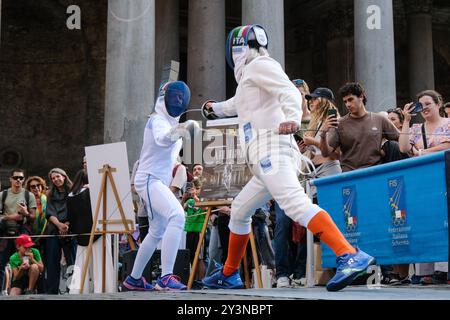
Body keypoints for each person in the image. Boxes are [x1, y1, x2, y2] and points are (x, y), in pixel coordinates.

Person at [201, 25, 375, 292]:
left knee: (294, 204)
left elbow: (290, 92)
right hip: (262, 160)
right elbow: (236, 104)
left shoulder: (261, 65)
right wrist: (213, 109)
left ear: (238, 48)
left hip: (273, 151)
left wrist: (292, 119)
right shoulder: (251, 76)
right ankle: (229, 273)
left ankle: (348, 254)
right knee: (239, 211)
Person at [121, 80, 199, 291]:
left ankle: (134, 279)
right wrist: (183, 129)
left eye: (181, 98)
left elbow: (170, 154)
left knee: (156, 231)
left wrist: (183, 129)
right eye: (175, 97)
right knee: (178, 216)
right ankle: (165, 277)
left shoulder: (171, 124)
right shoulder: (157, 121)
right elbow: (163, 140)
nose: (178, 101)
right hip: (148, 179)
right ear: (165, 99)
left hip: (157, 181)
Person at [399, 89, 449, 285]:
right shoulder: (415, 128)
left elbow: (447, 146)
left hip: (445, 177)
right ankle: (425, 271)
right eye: (421, 105)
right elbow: (404, 148)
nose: (424, 108)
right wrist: (405, 120)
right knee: (425, 221)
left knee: (445, 222)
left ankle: (444, 269)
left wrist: (421, 153)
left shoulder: (448, 124)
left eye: (428, 103)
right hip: (421, 180)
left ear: (439, 104)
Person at [319, 82, 401, 172]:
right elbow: (326, 153)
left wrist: (387, 149)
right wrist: (323, 134)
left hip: (376, 172)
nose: (348, 104)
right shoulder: (339, 123)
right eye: (345, 101)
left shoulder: (379, 119)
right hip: (351, 175)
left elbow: (401, 139)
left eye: (350, 99)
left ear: (361, 96)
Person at [67, 169, 115, 294]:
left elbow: (70, 217)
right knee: (101, 263)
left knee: (80, 265)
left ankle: (76, 290)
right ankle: (103, 289)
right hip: (96, 230)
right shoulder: (90, 192)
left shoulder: (70, 195)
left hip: (80, 233)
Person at [0, 169, 37, 291]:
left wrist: (25, 213)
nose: (18, 180)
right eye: (16, 178)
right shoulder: (3, 194)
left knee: (26, 263)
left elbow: (33, 217)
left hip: (22, 233)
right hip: (5, 233)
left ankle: (26, 289)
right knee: (1, 263)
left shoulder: (28, 195)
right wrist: (11, 217)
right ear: (10, 179)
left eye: (21, 178)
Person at [45, 168, 76, 294]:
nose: (56, 180)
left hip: (70, 229)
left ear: (64, 176)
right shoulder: (50, 194)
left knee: (72, 262)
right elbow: (49, 212)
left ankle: (73, 289)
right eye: (53, 178)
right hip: (54, 229)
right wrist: (59, 225)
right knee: (52, 262)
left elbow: (75, 210)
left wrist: (67, 224)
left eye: (58, 176)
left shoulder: (74, 191)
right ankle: (52, 291)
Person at [24, 176, 48, 248]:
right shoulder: (26, 200)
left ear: (42, 186)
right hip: (29, 234)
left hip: (45, 234)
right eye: (33, 186)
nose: (36, 188)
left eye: (38, 185)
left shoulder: (47, 198)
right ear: (29, 189)